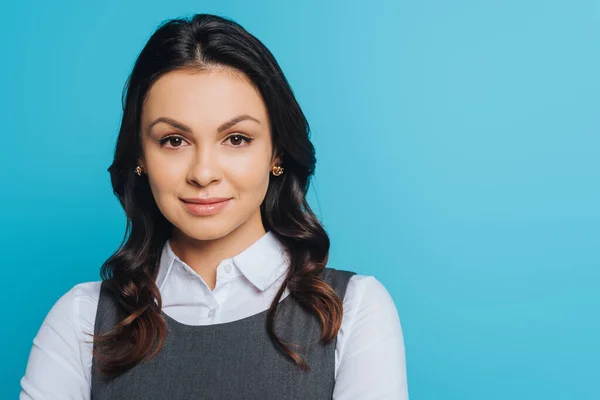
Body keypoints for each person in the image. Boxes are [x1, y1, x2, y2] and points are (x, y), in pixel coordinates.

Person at [19, 13, 409, 399]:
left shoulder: (354, 309)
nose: (203, 173)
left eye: (236, 138)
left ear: (276, 152)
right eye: (174, 140)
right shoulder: (81, 319)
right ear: (140, 156)